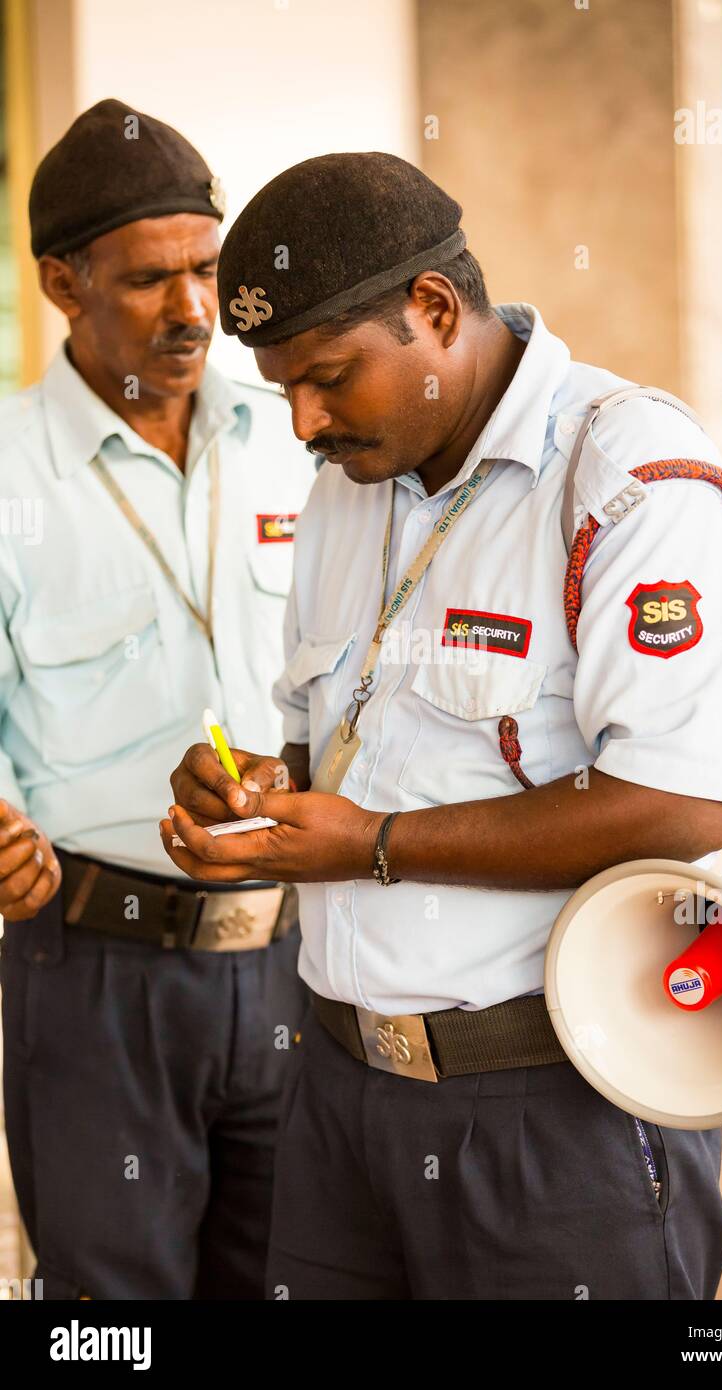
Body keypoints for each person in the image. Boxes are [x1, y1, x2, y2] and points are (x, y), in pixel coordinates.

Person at [163, 152, 722, 1300]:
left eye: (329, 377)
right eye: (281, 385)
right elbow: (327, 753)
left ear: (435, 311)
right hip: (340, 1090)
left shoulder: (630, 482)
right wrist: (252, 792)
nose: (302, 420)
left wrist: (372, 846)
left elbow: (681, 803)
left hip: (554, 1109)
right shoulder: (347, 485)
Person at [0, 100, 314, 1299]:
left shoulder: (299, 435)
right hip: (93, 975)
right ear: (62, 284)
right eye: (148, 280)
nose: (193, 311)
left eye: (207, 269)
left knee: (292, 1274)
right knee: (109, 1310)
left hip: (294, 961)